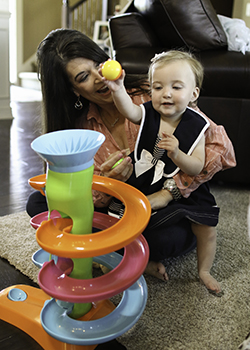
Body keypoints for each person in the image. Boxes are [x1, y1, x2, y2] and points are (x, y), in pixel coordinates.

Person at [26, 29, 235, 289]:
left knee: (165, 238)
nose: (100, 78)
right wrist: (107, 183)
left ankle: (102, 251)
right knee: (40, 201)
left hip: (165, 202)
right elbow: (78, 191)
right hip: (121, 206)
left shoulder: (155, 92)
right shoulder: (79, 130)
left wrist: (170, 193)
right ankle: (118, 253)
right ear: (73, 90)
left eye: (100, 66)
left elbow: (216, 145)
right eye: (84, 77)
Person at [101, 50, 236, 295]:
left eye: (176, 87)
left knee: (205, 227)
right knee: (125, 221)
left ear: (193, 94)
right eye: (158, 87)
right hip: (148, 179)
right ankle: (135, 258)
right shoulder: (149, 113)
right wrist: (117, 88)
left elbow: (196, 167)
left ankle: (204, 270)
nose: (166, 93)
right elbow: (128, 111)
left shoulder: (197, 126)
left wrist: (177, 154)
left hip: (180, 185)